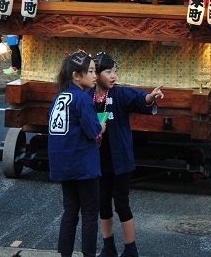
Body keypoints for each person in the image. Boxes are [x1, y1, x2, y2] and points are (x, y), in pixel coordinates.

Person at [91, 52, 164, 257]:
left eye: (115, 71)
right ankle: (108, 246)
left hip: (120, 160)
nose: (113, 76)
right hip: (97, 160)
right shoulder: (88, 96)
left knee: (121, 202)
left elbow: (141, 99)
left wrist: (150, 96)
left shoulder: (120, 94)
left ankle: (130, 248)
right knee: (102, 203)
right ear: (95, 74)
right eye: (108, 71)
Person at [48, 51, 103, 257]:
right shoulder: (82, 98)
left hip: (62, 162)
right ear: (76, 76)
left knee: (70, 212)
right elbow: (93, 130)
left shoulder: (60, 96)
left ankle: (65, 255)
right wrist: (101, 127)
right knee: (90, 213)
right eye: (90, 71)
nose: (94, 76)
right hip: (82, 163)